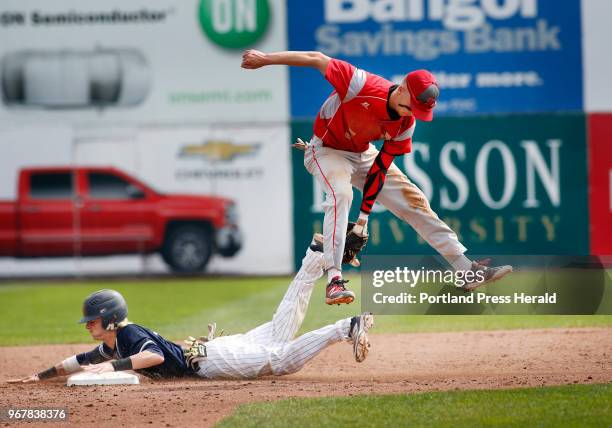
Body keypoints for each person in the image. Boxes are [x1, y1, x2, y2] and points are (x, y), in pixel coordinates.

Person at [241, 50, 512, 304]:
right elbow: (316, 58)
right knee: (341, 193)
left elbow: (379, 169)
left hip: (363, 153)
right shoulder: (360, 84)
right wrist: (265, 59)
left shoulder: (406, 123)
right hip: (326, 151)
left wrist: (362, 221)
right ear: (403, 88)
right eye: (413, 107)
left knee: (414, 201)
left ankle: (466, 269)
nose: (413, 114)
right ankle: (334, 279)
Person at [7, 239, 374, 383]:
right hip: (210, 352)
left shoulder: (129, 336)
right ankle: (314, 258)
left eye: (93, 320)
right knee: (280, 329)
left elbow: (150, 357)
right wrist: (40, 377)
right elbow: (78, 360)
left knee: (281, 360)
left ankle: (346, 327)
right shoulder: (115, 343)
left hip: (210, 361)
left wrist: (113, 366)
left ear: (111, 318)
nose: (89, 326)